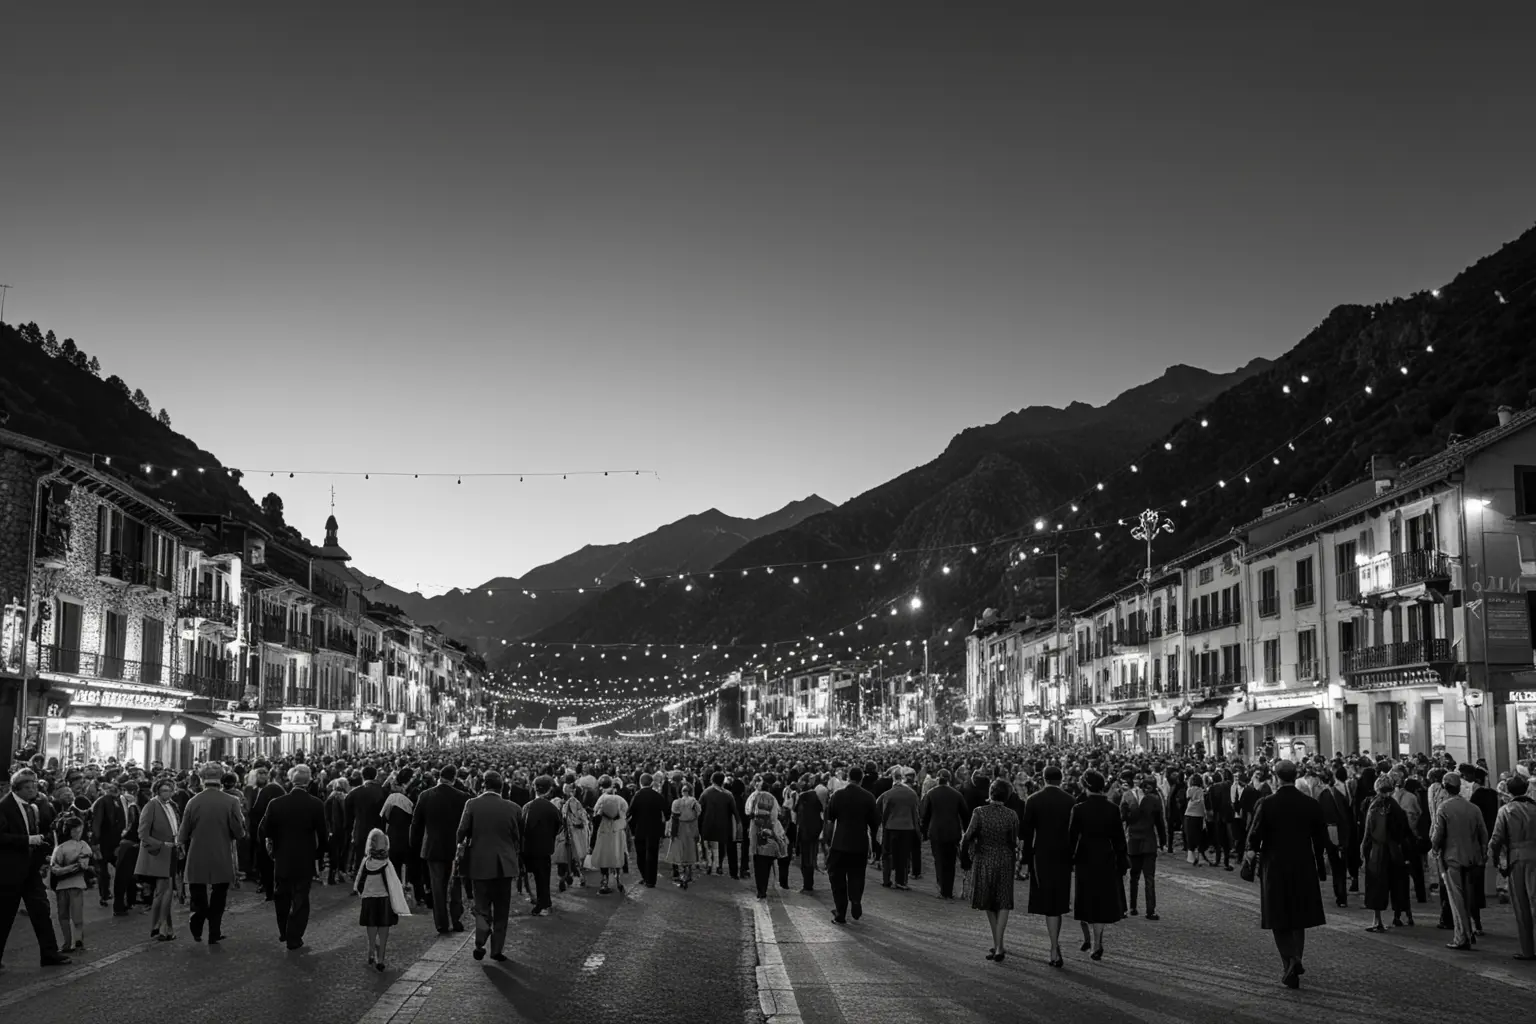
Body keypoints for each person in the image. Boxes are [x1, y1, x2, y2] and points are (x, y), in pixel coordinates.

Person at [1243, 759, 1328, 989]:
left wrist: (1250, 854)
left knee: (1278, 917)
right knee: (1299, 916)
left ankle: (1289, 961)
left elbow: (1254, 835)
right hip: (1303, 864)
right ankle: (1296, 956)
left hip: (1275, 865)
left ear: (1276, 777)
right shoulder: (1310, 804)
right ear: (1295, 775)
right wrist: (1321, 867)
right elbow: (1321, 839)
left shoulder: (1267, 803)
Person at [260, 764, 329, 950]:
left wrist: (273, 845)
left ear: (291, 780)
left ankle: (284, 930)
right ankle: (294, 935)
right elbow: (323, 834)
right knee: (301, 897)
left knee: (282, 895)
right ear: (309, 781)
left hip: (282, 855)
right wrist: (319, 855)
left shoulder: (276, 803)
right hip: (305, 856)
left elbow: (265, 829)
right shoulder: (316, 804)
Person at [178, 762, 247, 945]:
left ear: (202, 779)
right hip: (221, 852)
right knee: (219, 895)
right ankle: (214, 932)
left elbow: (183, 832)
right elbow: (239, 832)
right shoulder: (232, 801)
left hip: (197, 852)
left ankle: (197, 923)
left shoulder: (193, 801)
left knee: (198, 892)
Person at [458, 770, 522, 962]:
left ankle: (480, 940)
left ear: (483, 785)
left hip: (479, 862)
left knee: (482, 905)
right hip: (505, 864)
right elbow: (518, 837)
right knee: (502, 909)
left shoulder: (472, 804)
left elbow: (461, 831)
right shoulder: (513, 808)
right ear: (502, 788)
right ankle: (497, 949)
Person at [1070, 769, 1128, 961]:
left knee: (1087, 900)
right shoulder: (1112, 809)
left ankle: (1090, 939)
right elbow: (1119, 839)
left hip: (1085, 857)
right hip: (1106, 856)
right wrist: (1122, 862)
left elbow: (1071, 838)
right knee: (1101, 902)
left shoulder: (1079, 809)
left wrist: (1068, 859)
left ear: (1086, 786)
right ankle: (1096, 942)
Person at [1020, 764, 1074, 966]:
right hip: (1063, 854)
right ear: (1061, 779)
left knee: (1049, 902)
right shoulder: (1070, 800)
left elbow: (1026, 833)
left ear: (1043, 778)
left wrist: (1025, 861)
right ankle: (1054, 946)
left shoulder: (1034, 800)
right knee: (1057, 902)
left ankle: (1054, 946)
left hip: (1042, 854)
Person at [961, 778, 1020, 962]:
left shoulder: (979, 812)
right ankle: (999, 945)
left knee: (988, 901)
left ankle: (998, 945)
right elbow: (1013, 841)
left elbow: (968, 836)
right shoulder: (1011, 815)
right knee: (1003, 902)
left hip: (984, 859)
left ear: (990, 793)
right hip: (1005, 859)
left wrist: (966, 857)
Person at [1430, 771, 1489, 951]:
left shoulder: (1444, 808)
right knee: (1469, 897)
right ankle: (1469, 930)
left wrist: (1434, 849)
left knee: (1457, 899)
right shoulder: (1473, 808)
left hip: (1451, 858)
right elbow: (1483, 833)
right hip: (1472, 858)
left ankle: (1462, 936)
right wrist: (1483, 853)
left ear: (1445, 787)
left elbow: (1438, 835)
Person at [410, 764, 470, 933]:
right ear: (454, 778)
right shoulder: (462, 797)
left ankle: (441, 923)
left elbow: (416, 823)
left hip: (432, 846)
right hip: (455, 847)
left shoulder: (425, 795)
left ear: (439, 777)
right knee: (455, 885)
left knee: (437, 887)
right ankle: (456, 919)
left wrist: (414, 844)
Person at [1487, 771, 1536, 960]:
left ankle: (1527, 950)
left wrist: (1494, 859)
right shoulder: (1535, 808)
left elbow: (1496, 839)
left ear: (1508, 791)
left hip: (1516, 859)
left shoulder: (1506, 810)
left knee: (1521, 905)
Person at [824, 765, 879, 925]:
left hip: (840, 842)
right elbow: (875, 824)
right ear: (861, 779)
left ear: (848, 778)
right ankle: (855, 899)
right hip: (859, 843)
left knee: (837, 877)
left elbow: (829, 821)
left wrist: (828, 841)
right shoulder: (868, 797)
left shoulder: (837, 795)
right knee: (857, 875)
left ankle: (840, 912)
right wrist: (875, 847)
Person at [1360, 775, 1413, 931]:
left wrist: (1363, 850)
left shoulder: (1375, 805)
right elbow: (1405, 830)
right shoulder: (1395, 806)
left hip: (1378, 849)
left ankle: (1378, 921)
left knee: (1377, 885)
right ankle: (1399, 916)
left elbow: (1368, 831)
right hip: (1395, 850)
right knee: (1397, 883)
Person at [354, 828, 409, 972]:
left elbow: (359, 881)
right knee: (384, 929)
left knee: (371, 927)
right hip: (384, 900)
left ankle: (371, 949)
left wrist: (361, 891)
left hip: (369, 899)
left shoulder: (366, 861)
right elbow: (394, 883)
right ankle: (381, 958)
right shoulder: (387, 863)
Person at [136, 778, 180, 941]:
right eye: (163, 790)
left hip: (170, 851)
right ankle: (161, 926)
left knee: (165, 891)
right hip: (158, 852)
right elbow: (143, 833)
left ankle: (163, 927)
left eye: (169, 790)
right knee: (164, 891)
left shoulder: (172, 806)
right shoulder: (151, 806)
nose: (167, 793)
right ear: (157, 791)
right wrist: (161, 844)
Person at [1122, 774, 1166, 920]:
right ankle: (1150, 910)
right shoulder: (1154, 800)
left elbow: (1123, 818)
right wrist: (1163, 841)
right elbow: (1160, 822)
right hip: (1149, 841)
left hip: (1133, 840)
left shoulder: (1128, 797)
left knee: (1134, 876)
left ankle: (1133, 907)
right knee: (1149, 877)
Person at [920, 769, 969, 901]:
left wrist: (923, 832)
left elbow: (925, 815)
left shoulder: (931, 793)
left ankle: (942, 888)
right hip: (953, 831)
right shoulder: (957, 794)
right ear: (949, 779)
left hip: (936, 831)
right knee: (951, 861)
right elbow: (965, 815)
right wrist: (966, 832)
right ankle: (948, 890)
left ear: (937, 779)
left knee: (939, 860)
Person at [49, 815, 91, 951]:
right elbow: (83, 865)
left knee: (63, 916)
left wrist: (63, 870)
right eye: (79, 830)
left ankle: (67, 943)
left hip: (61, 885)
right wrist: (73, 867)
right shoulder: (83, 846)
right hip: (76, 883)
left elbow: (54, 869)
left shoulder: (59, 848)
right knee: (76, 915)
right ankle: (77, 940)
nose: (80, 833)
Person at [522, 776, 562, 915]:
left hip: (529, 847)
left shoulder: (527, 806)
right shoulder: (552, 808)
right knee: (543, 878)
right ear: (549, 789)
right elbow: (559, 826)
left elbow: (523, 827)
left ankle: (537, 900)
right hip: (545, 847)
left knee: (531, 876)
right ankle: (544, 904)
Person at [1317, 767, 1355, 908]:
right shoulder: (1339, 794)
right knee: (1341, 865)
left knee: (1335, 864)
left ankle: (1339, 894)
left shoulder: (1323, 795)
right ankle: (1341, 894)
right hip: (1342, 831)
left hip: (1330, 831)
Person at [877, 768, 920, 891]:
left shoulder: (889, 794)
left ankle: (886, 879)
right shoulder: (912, 794)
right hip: (907, 827)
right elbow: (916, 813)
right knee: (904, 855)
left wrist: (882, 825)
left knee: (887, 854)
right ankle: (901, 881)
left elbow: (884, 812)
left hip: (891, 827)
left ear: (893, 778)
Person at [746, 779, 789, 899]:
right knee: (767, 862)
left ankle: (760, 890)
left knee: (757, 862)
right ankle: (764, 887)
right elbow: (775, 816)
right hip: (769, 833)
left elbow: (747, 811)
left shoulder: (753, 796)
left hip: (755, 833)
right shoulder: (772, 798)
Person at [627, 773, 668, 889]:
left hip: (640, 828)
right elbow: (666, 812)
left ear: (640, 783)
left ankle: (644, 876)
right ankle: (651, 881)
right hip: (654, 829)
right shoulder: (657, 796)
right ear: (651, 783)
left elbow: (630, 812)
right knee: (652, 855)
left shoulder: (637, 795)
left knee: (641, 854)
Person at [89, 780, 126, 908]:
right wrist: (95, 841)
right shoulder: (103, 802)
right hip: (105, 841)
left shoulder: (119, 801)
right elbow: (97, 822)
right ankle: (105, 894)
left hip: (113, 840)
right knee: (104, 870)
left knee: (109, 869)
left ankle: (106, 895)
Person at [590, 779, 629, 895]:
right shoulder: (621, 800)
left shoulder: (602, 799)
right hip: (617, 830)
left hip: (604, 830)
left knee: (604, 855)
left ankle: (604, 881)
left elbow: (596, 814)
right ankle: (618, 879)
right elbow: (625, 813)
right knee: (617, 853)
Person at [665, 783, 702, 888]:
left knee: (680, 851)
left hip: (679, 828)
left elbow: (674, 816)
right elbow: (698, 814)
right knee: (690, 851)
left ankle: (682, 874)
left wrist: (671, 832)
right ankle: (689, 873)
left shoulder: (676, 802)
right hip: (691, 828)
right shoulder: (694, 803)